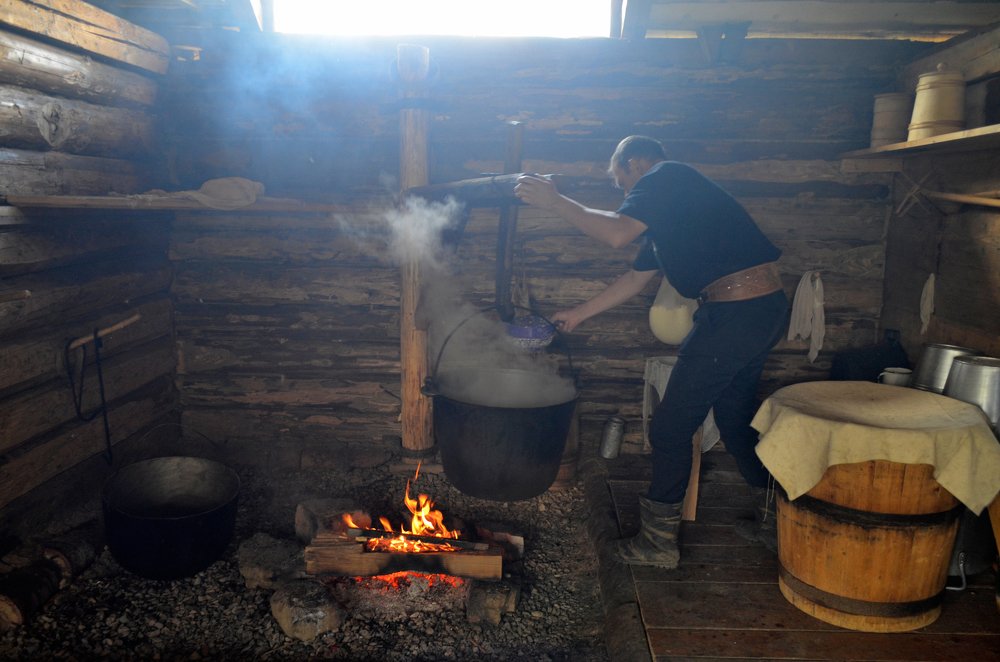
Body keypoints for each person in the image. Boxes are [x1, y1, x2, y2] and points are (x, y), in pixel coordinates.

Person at [514, 135, 789, 568]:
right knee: (735, 419)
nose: (623, 192)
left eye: (619, 180)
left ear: (634, 162)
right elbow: (634, 277)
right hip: (757, 311)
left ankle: (658, 544)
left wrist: (555, 201)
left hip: (736, 315)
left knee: (669, 428)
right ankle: (779, 526)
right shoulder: (674, 215)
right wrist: (579, 313)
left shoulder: (667, 175)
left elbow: (616, 234)